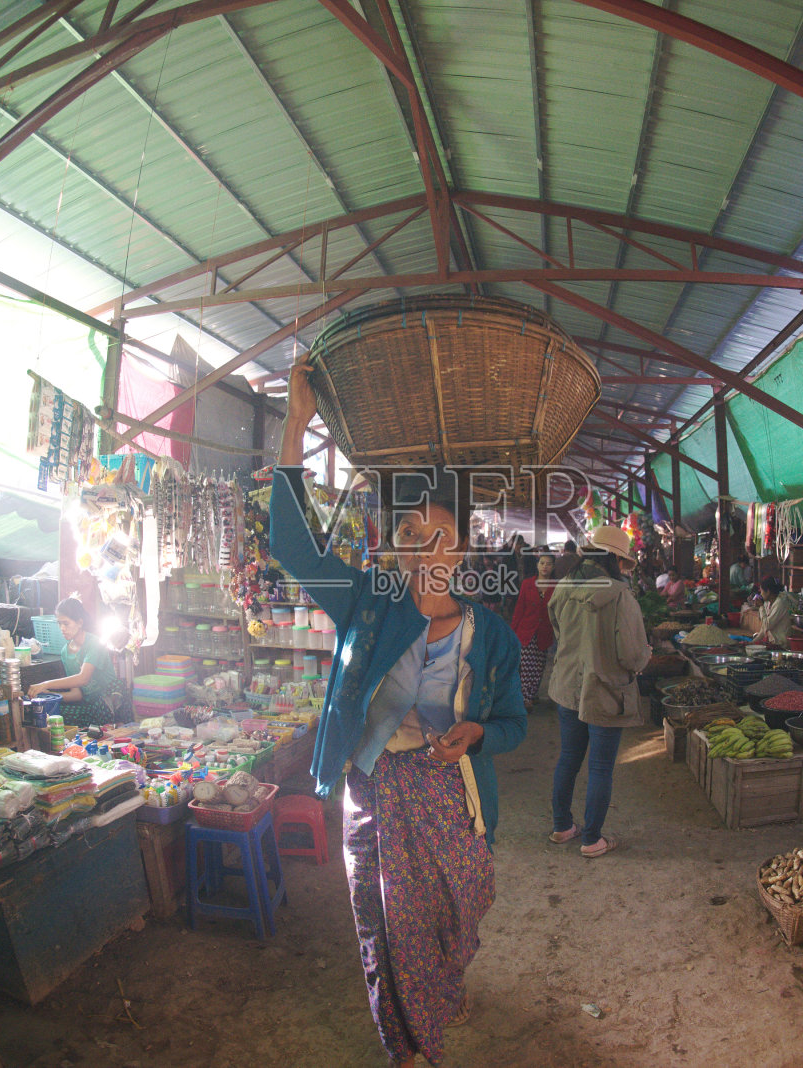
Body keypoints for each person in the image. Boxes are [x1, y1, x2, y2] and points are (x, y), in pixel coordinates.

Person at [273, 363, 527, 1068]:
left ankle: (443, 985)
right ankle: (405, 1045)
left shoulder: (489, 635)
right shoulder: (366, 601)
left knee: (464, 901)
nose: (426, 554)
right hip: (373, 789)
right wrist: (297, 423)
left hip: (449, 795)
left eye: (441, 539)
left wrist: (478, 733)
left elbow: (514, 722)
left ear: (464, 552)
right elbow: (294, 547)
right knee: (383, 920)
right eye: (414, 537)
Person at [545, 525, 651, 859]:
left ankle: (562, 827)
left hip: (566, 686)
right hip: (603, 690)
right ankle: (592, 839)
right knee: (601, 767)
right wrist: (644, 658)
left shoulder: (563, 586)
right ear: (615, 560)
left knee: (569, 757)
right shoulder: (619, 595)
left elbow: (557, 628)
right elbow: (631, 654)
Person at [26, 597, 125, 726]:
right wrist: (51, 695)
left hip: (109, 700)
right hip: (90, 705)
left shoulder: (95, 643)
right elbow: (78, 694)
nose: (62, 628)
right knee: (56, 715)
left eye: (66, 623)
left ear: (79, 623)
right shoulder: (65, 652)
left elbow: (83, 679)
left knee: (99, 708)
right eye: (59, 623)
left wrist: (45, 684)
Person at [511, 553, 558, 705]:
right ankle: (526, 698)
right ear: (537, 565)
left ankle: (531, 694)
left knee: (539, 666)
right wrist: (512, 632)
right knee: (526, 666)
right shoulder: (527, 584)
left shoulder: (556, 587)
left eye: (548, 564)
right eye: (542, 563)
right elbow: (519, 609)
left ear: (553, 567)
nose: (545, 566)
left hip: (544, 632)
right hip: (526, 631)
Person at [752, 576, 799, 649]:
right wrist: (752, 642)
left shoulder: (780, 603)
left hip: (782, 645)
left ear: (768, 592)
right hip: (773, 643)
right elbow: (764, 628)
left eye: (761, 591)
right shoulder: (768, 602)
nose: (760, 594)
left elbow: (767, 625)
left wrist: (761, 607)